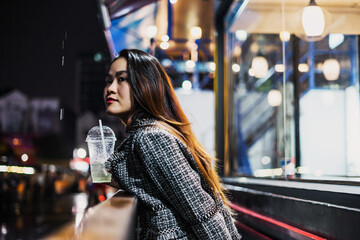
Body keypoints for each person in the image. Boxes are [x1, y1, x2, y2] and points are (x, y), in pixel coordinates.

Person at [103, 49, 241, 239]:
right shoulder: (149, 134)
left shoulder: (151, 138)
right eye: (109, 81)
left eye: (122, 79)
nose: (110, 88)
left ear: (145, 85)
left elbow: (201, 212)